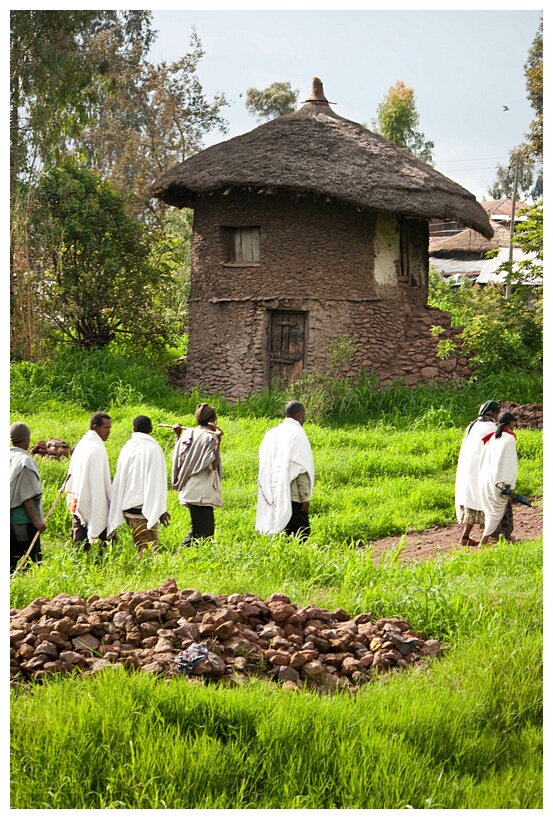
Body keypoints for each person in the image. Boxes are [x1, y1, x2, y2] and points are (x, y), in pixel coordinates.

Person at [108, 415, 170, 554]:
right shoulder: (153, 448)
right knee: (147, 549)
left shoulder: (128, 447)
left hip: (128, 507)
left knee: (142, 545)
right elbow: (157, 481)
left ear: (133, 429)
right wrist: (161, 509)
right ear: (151, 430)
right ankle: (140, 573)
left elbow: (120, 477)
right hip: (145, 508)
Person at [256, 400, 315, 539]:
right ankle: (296, 559)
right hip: (294, 495)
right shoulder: (298, 434)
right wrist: (305, 497)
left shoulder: (272, 433)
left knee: (281, 532)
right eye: (304, 415)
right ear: (299, 415)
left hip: (273, 492)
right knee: (300, 533)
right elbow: (302, 469)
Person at [171, 403, 223, 546]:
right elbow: (213, 465)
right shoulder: (210, 438)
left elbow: (178, 456)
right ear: (213, 420)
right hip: (201, 493)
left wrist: (177, 435)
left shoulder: (187, 434)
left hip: (190, 489)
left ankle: (183, 558)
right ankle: (178, 557)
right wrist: (218, 443)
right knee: (205, 534)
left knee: (200, 530)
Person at [454, 400, 501, 545]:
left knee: (473, 502)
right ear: (493, 413)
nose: (499, 415)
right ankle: (491, 538)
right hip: (480, 470)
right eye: (498, 412)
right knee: (489, 502)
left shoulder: (472, 425)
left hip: (467, 470)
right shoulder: (491, 428)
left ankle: (465, 536)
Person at [66, 412, 112, 550]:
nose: (108, 431)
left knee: (79, 530)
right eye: (105, 428)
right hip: (86, 497)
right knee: (91, 527)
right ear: (95, 427)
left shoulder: (84, 443)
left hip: (78, 495)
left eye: (110, 428)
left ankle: (83, 558)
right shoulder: (95, 449)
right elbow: (97, 483)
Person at [10, 422, 46, 572]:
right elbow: (26, 495)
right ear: (26, 439)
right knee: (34, 559)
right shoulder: (25, 462)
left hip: (9, 519)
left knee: (12, 558)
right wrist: (36, 521)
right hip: (23, 520)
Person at [478, 411, 518, 545]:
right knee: (502, 510)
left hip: (488, 478)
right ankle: (496, 538)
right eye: (513, 422)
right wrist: (508, 485)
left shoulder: (492, 438)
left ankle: (488, 538)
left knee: (492, 509)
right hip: (501, 481)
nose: (514, 425)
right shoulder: (509, 439)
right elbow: (509, 465)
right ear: (509, 423)